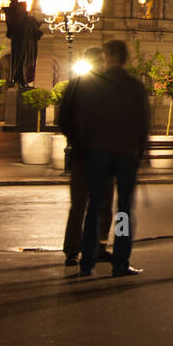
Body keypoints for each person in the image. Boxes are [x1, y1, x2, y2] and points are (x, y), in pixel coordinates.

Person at [74, 40, 151, 277]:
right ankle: (120, 261)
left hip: (98, 152)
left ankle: (86, 262)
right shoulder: (135, 87)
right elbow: (143, 123)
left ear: (107, 57)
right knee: (123, 211)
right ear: (126, 58)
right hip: (126, 153)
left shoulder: (94, 86)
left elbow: (82, 120)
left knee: (94, 208)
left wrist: (85, 148)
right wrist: (140, 152)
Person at [57, 68, 115, 268]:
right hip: (98, 154)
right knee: (99, 205)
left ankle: (74, 251)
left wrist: (74, 140)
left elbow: (63, 119)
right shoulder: (107, 86)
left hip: (84, 154)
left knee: (81, 205)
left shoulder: (76, 86)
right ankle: (95, 247)